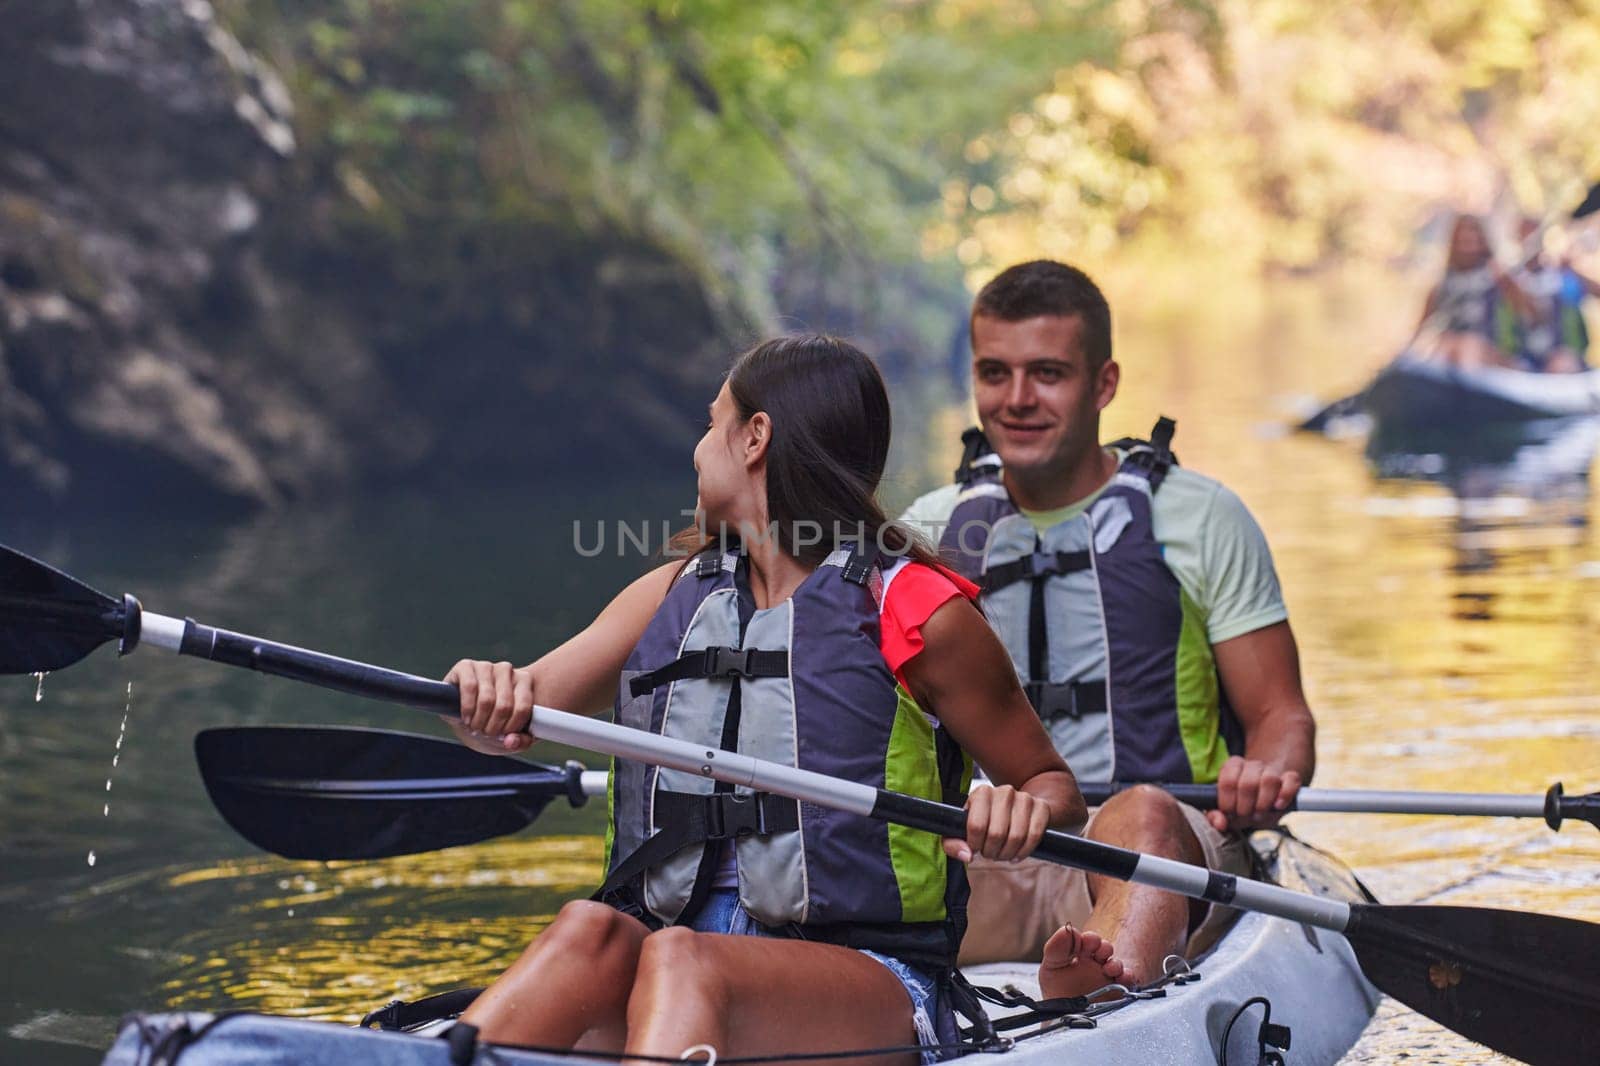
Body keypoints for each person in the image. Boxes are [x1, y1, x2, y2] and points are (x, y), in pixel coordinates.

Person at [444, 334, 1084, 1063]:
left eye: (711, 422)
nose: (696, 450)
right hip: (673, 959)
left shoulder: (918, 613)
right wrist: (478, 694)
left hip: (868, 979)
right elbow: (507, 720)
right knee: (585, 931)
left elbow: (1053, 787)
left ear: (754, 438)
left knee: (686, 959)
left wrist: (1021, 807)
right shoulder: (674, 594)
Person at [900, 260, 1316, 999]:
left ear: (1104, 384)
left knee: (1141, 811)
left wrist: (1266, 772)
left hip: (1166, 849)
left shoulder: (1201, 517)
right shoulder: (926, 532)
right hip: (984, 861)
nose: (1018, 400)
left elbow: (1280, 715)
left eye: (1048, 374)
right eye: (995, 373)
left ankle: (1107, 1000)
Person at [1416, 214, 1530, 369]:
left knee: (1468, 347)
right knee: (1445, 346)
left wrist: (1508, 283)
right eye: (1462, 241)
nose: (1467, 246)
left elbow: (1528, 313)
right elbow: (1420, 328)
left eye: (1472, 240)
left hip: (1491, 352)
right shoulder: (1443, 283)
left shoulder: (1497, 276)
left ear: (1482, 242)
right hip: (1449, 346)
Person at [1510, 215, 1598, 374]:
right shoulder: (1508, 279)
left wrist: (1574, 270)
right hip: (1521, 358)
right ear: (1517, 237)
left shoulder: (1562, 276)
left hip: (1563, 357)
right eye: (1526, 233)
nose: (1531, 240)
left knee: (1562, 365)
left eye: (1535, 234)